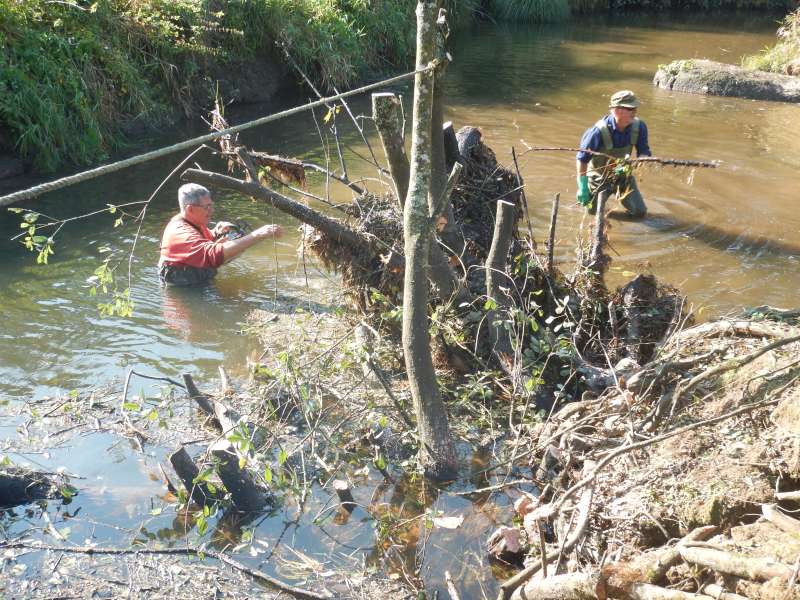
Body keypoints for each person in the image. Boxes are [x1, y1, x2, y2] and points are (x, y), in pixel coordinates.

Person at [158, 183, 282, 286]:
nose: (212, 211)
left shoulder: (191, 221)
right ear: (190, 209)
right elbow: (213, 255)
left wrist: (216, 232)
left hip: (195, 275)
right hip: (183, 286)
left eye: (211, 205)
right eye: (206, 207)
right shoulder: (180, 232)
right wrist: (258, 234)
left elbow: (200, 241)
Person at [576, 90, 651, 218]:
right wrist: (582, 186)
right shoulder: (597, 132)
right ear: (617, 110)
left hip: (622, 175)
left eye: (635, 108)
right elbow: (582, 159)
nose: (635, 112)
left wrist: (640, 163)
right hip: (599, 178)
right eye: (631, 109)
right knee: (592, 213)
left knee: (640, 213)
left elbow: (643, 152)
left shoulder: (639, 127)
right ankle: (603, 216)